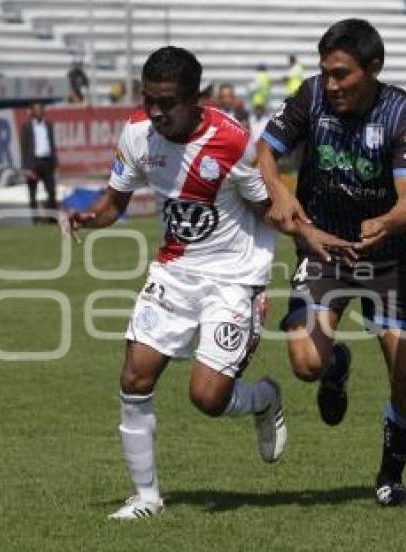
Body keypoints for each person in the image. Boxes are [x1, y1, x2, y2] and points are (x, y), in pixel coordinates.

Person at [68, 46, 334, 520]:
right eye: (148, 99)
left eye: (166, 102)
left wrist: (304, 236)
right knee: (134, 377)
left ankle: (263, 398)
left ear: (196, 99)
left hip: (233, 281)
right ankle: (146, 497)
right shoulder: (137, 135)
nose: (155, 111)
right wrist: (91, 217)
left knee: (208, 398)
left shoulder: (231, 142)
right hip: (174, 272)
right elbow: (115, 201)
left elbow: (267, 207)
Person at [257, 18, 406, 507]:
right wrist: (279, 194)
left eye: (341, 74)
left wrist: (388, 222)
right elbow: (265, 151)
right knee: (307, 364)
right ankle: (336, 366)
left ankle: (390, 480)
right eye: (326, 73)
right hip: (323, 250)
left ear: (373, 68)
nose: (331, 84)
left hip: (390, 258)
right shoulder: (310, 96)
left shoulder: (402, 113)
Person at [19, 101, 58, 222]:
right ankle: (35, 219)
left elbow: (52, 144)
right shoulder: (27, 127)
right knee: (33, 193)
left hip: (47, 161)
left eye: (41, 109)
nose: (39, 111)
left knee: (51, 190)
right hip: (33, 162)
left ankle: (52, 217)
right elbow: (24, 147)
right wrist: (26, 167)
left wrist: (54, 160)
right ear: (32, 112)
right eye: (36, 109)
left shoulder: (49, 125)